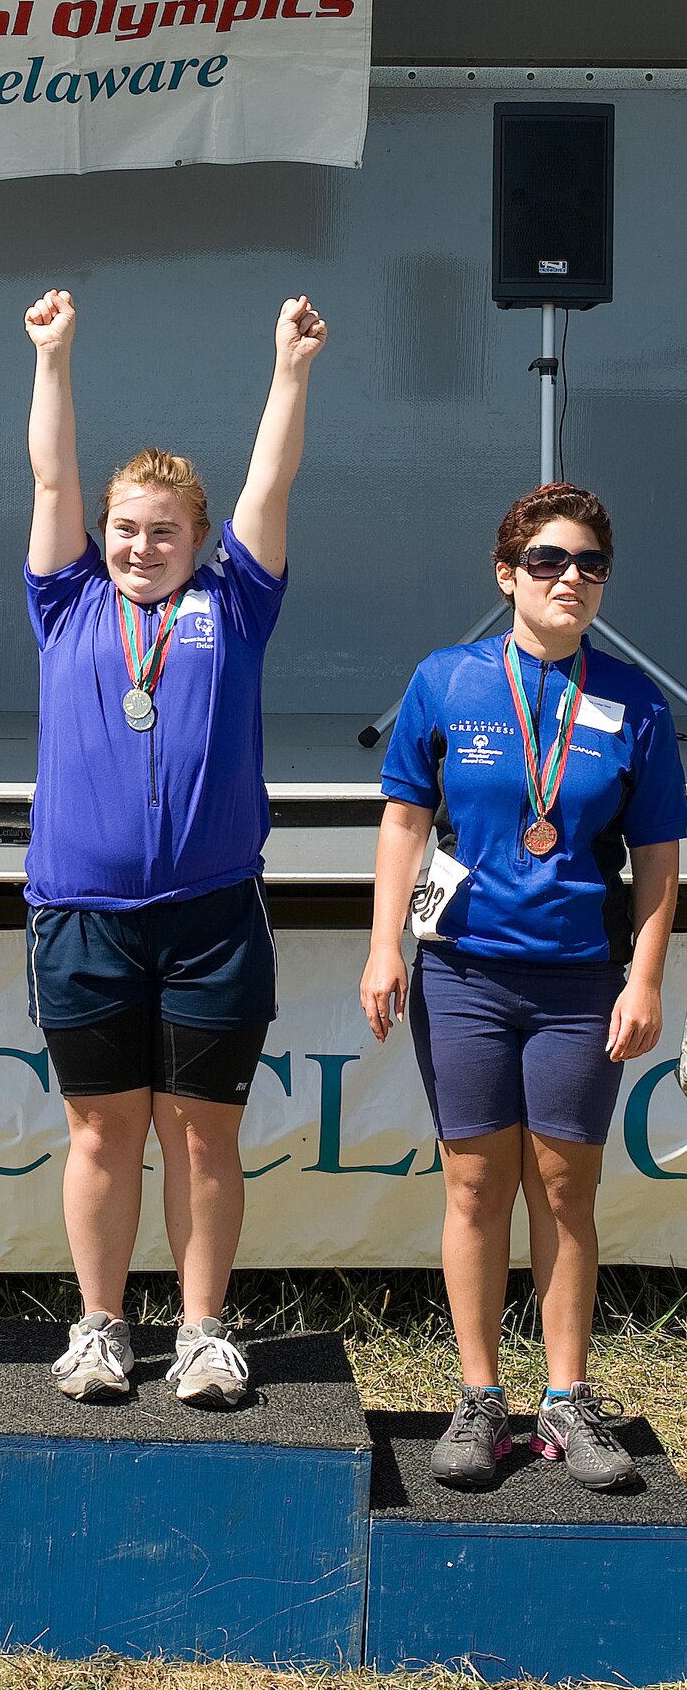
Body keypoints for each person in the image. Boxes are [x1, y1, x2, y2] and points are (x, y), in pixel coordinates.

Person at [21, 286, 326, 1405]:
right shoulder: (63, 604)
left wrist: (287, 369)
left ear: (199, 541)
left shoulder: (235, 603)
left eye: (163, 530)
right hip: (82, 914)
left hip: (209, 915)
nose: (141, 545)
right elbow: (53, 476)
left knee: (204, 1138)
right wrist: (53, 358)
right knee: (100, 1134)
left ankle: (200, 1330)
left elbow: (269, 481)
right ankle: (99, 1325)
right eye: (126, 530)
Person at [360, 482, 685, 1492]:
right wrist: (382, 948)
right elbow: (405, 822)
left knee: (561, 1187)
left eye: (588, 563)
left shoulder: (633, 701)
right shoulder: (447, 680)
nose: (569, 579)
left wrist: (642, 977)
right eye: (546, 559)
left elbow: (657, 856)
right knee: (471, 1182)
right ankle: (475, 1396)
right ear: (505, 574)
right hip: (460, 970)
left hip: (578, 982)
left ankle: (565, 1398)